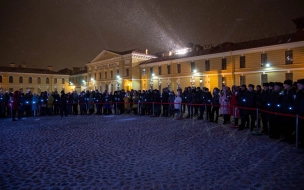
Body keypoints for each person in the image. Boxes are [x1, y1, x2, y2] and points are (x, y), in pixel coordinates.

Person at [295, 79, 304, 148]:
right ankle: (300, 141)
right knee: (300, 129)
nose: (298, 86)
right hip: (299, 113)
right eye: (297, 85)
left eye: (299, 85)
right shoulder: (299, 92)